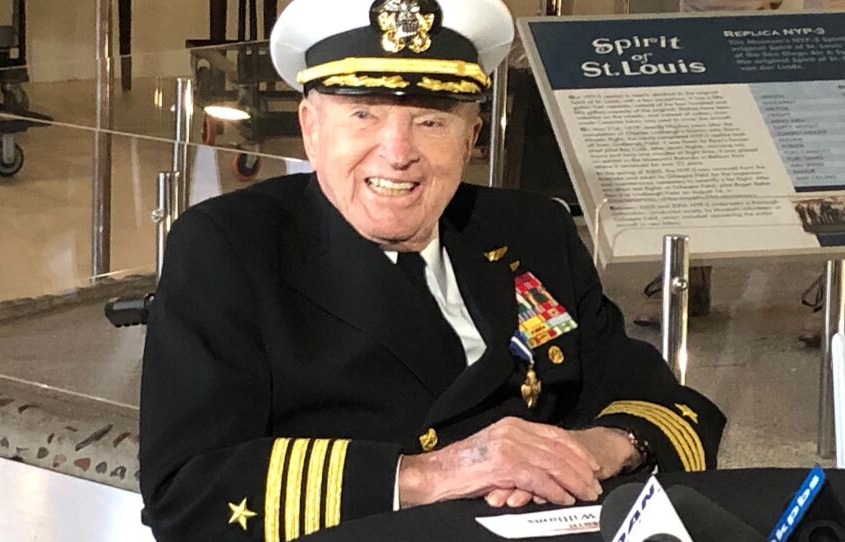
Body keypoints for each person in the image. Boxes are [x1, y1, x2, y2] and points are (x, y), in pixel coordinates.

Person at [139, 1, 726, 541]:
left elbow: (664, 405)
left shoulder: (530, 230)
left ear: (471, 138)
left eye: (431, 121)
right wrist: (438, 472)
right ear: (312, 129)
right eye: (364, 114)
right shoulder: (232, 248)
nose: (397, 152)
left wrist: (596, 449)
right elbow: (187, 491)